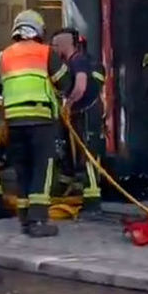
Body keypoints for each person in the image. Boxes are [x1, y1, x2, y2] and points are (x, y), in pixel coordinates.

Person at [0, 9, 70, 237]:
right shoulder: (46, 52)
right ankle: (38, 221)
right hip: (40, 119)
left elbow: (0, 83)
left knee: (23, 170)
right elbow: (64, 82)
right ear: (38, 30)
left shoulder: (3, 56)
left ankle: (26, 220)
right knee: (42, 169)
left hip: (14, 122)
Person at [51, 27, 105, 214]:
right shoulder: (78, 61)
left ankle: (92, 200)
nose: (54, 50)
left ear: (65, 44)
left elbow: (80, 86)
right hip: (85, 112)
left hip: (87, 113)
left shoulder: (78, 61)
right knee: (80, 153)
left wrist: (68, 104)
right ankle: (82, 193)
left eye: (56, 45)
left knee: (87, 154)